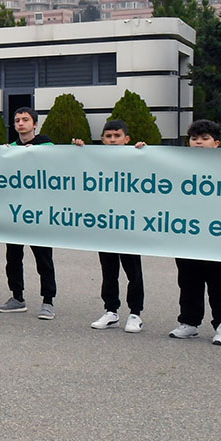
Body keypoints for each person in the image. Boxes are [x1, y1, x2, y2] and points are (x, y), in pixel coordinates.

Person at [76, 119, 148, 332]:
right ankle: (111, 311)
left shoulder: (137, 158)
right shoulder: (95, 158)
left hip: (129, 226)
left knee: (133, 271)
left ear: (127, 139)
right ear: (102, 140)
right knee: (109, 271)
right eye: (109, 136)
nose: (113, 140)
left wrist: (144, 152)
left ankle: (135, 313)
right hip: (105, 225)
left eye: (117, 136)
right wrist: (80, 150)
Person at [170, 119, 221, 346]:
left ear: (216, 143)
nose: (199, 143)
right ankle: (189, 322)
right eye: (194, 139)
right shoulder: (178, 165)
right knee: (188, 280)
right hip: (187, 233)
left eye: (205, 139)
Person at [0, 106, 57, 317]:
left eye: (25, 119)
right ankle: (17, 297)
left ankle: (48, 301)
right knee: (13, 256)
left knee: (43, 258)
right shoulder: (9, 149)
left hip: (39, 213)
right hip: (15, 212)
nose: (20, 123)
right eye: (17, 120)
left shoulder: (48, 147)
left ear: (35, 124)